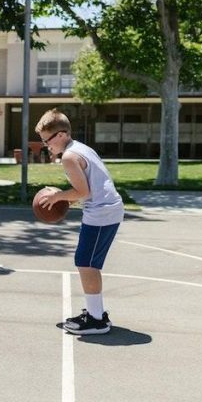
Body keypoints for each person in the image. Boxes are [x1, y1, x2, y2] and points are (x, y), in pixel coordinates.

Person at [35, 108, 124, 335]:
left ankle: (97, 320)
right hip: (106, 209)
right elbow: (91, 187)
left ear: (62, 135)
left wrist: (58, 197)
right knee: (87, 262)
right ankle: (96, 313)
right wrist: (69, 197)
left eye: (48, 141)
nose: (47, 146)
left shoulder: (69, 156)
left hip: (102, 213)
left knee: (86, 263)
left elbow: (82, 191)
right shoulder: (80, 148)